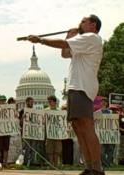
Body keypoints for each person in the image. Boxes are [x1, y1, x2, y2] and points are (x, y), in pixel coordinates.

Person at [27, 14, 104, 175]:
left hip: (82, 87)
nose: (80, 23)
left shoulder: (92, 38)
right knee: (78, 127)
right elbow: (65, 53)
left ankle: (97, 167)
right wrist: (69, 35)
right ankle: (89, 166)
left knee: (86, 126)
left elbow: (63, 44)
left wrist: (41, 40)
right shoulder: (83, 43)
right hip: (76, 86)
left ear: (93, 25)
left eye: (83, 21)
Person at [96, 98, 115, 168]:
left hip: (109, 133)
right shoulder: (97, 112)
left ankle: (107, 163)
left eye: (105, 102)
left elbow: (113, 122)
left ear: (106, 103)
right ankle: (106, 164)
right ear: (100, 103)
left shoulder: (110, 112)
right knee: (101, 151)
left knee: (110, 149)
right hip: (101, 133)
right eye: (102, 102)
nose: (103, 103)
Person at [45, 95, 62, 166]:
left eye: (50, 101)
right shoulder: (45, 111)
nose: (49, 103)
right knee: (49, 149)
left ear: (55, 102)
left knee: (57, 150)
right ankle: (51, 163)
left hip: (58, 133)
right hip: (49, 133)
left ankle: (56, 164)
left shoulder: (60, 111)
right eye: (48, 101)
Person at [0, 94, 10, 167]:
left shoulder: (9, 109)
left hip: (7, 130)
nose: (3, 102)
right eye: (1, 101)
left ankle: (5, 162)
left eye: (4, 100)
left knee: (6, 147)